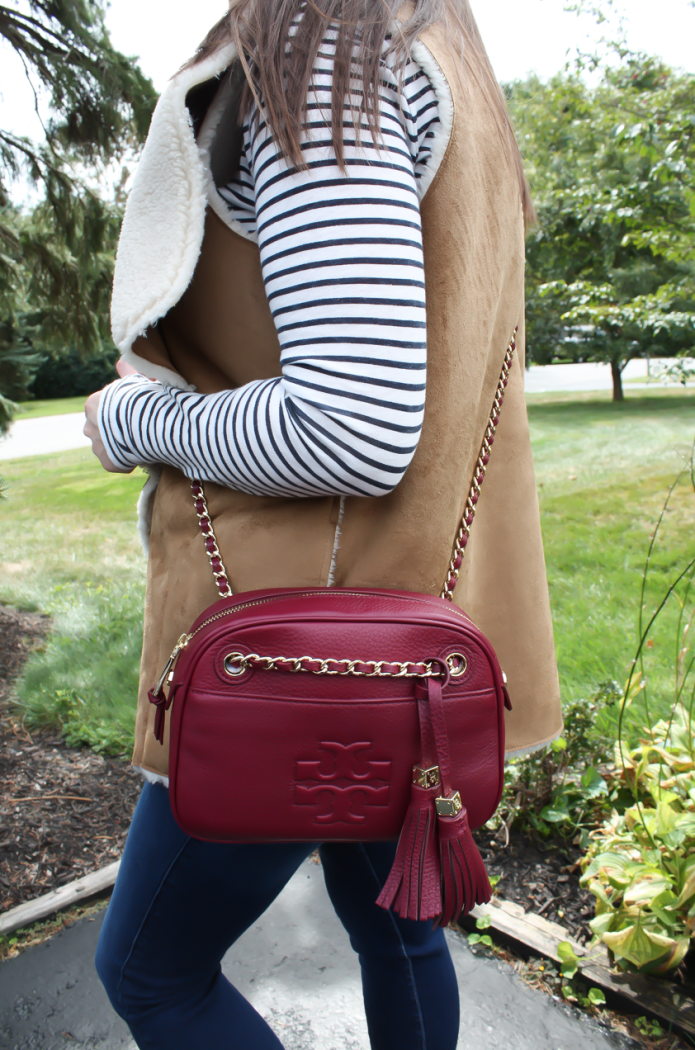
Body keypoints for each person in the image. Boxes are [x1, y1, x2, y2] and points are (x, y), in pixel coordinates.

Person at [84, 0, 562, 1045]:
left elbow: (347, 426)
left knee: (149, 972)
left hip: (293, 650)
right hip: (405, 636)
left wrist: (132, 414)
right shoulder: (435, 46)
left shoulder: (323, 46)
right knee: (398, 930)